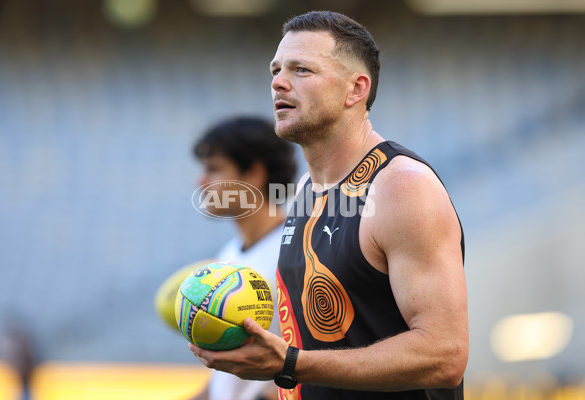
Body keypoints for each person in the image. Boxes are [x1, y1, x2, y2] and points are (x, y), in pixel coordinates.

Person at [189, 11, 469, 400]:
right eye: (276, 69)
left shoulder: (401, 187)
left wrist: (290, 363)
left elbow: (444, 356)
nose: (278, 83)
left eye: (302, 70)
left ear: (356, 89)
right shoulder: (306, 189)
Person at [189, 116, 298, 400]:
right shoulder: (228, 256)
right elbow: (228, 383)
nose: (200, 181)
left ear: (254, 173)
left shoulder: (298, 252)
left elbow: (317, 358)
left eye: (213, 169)